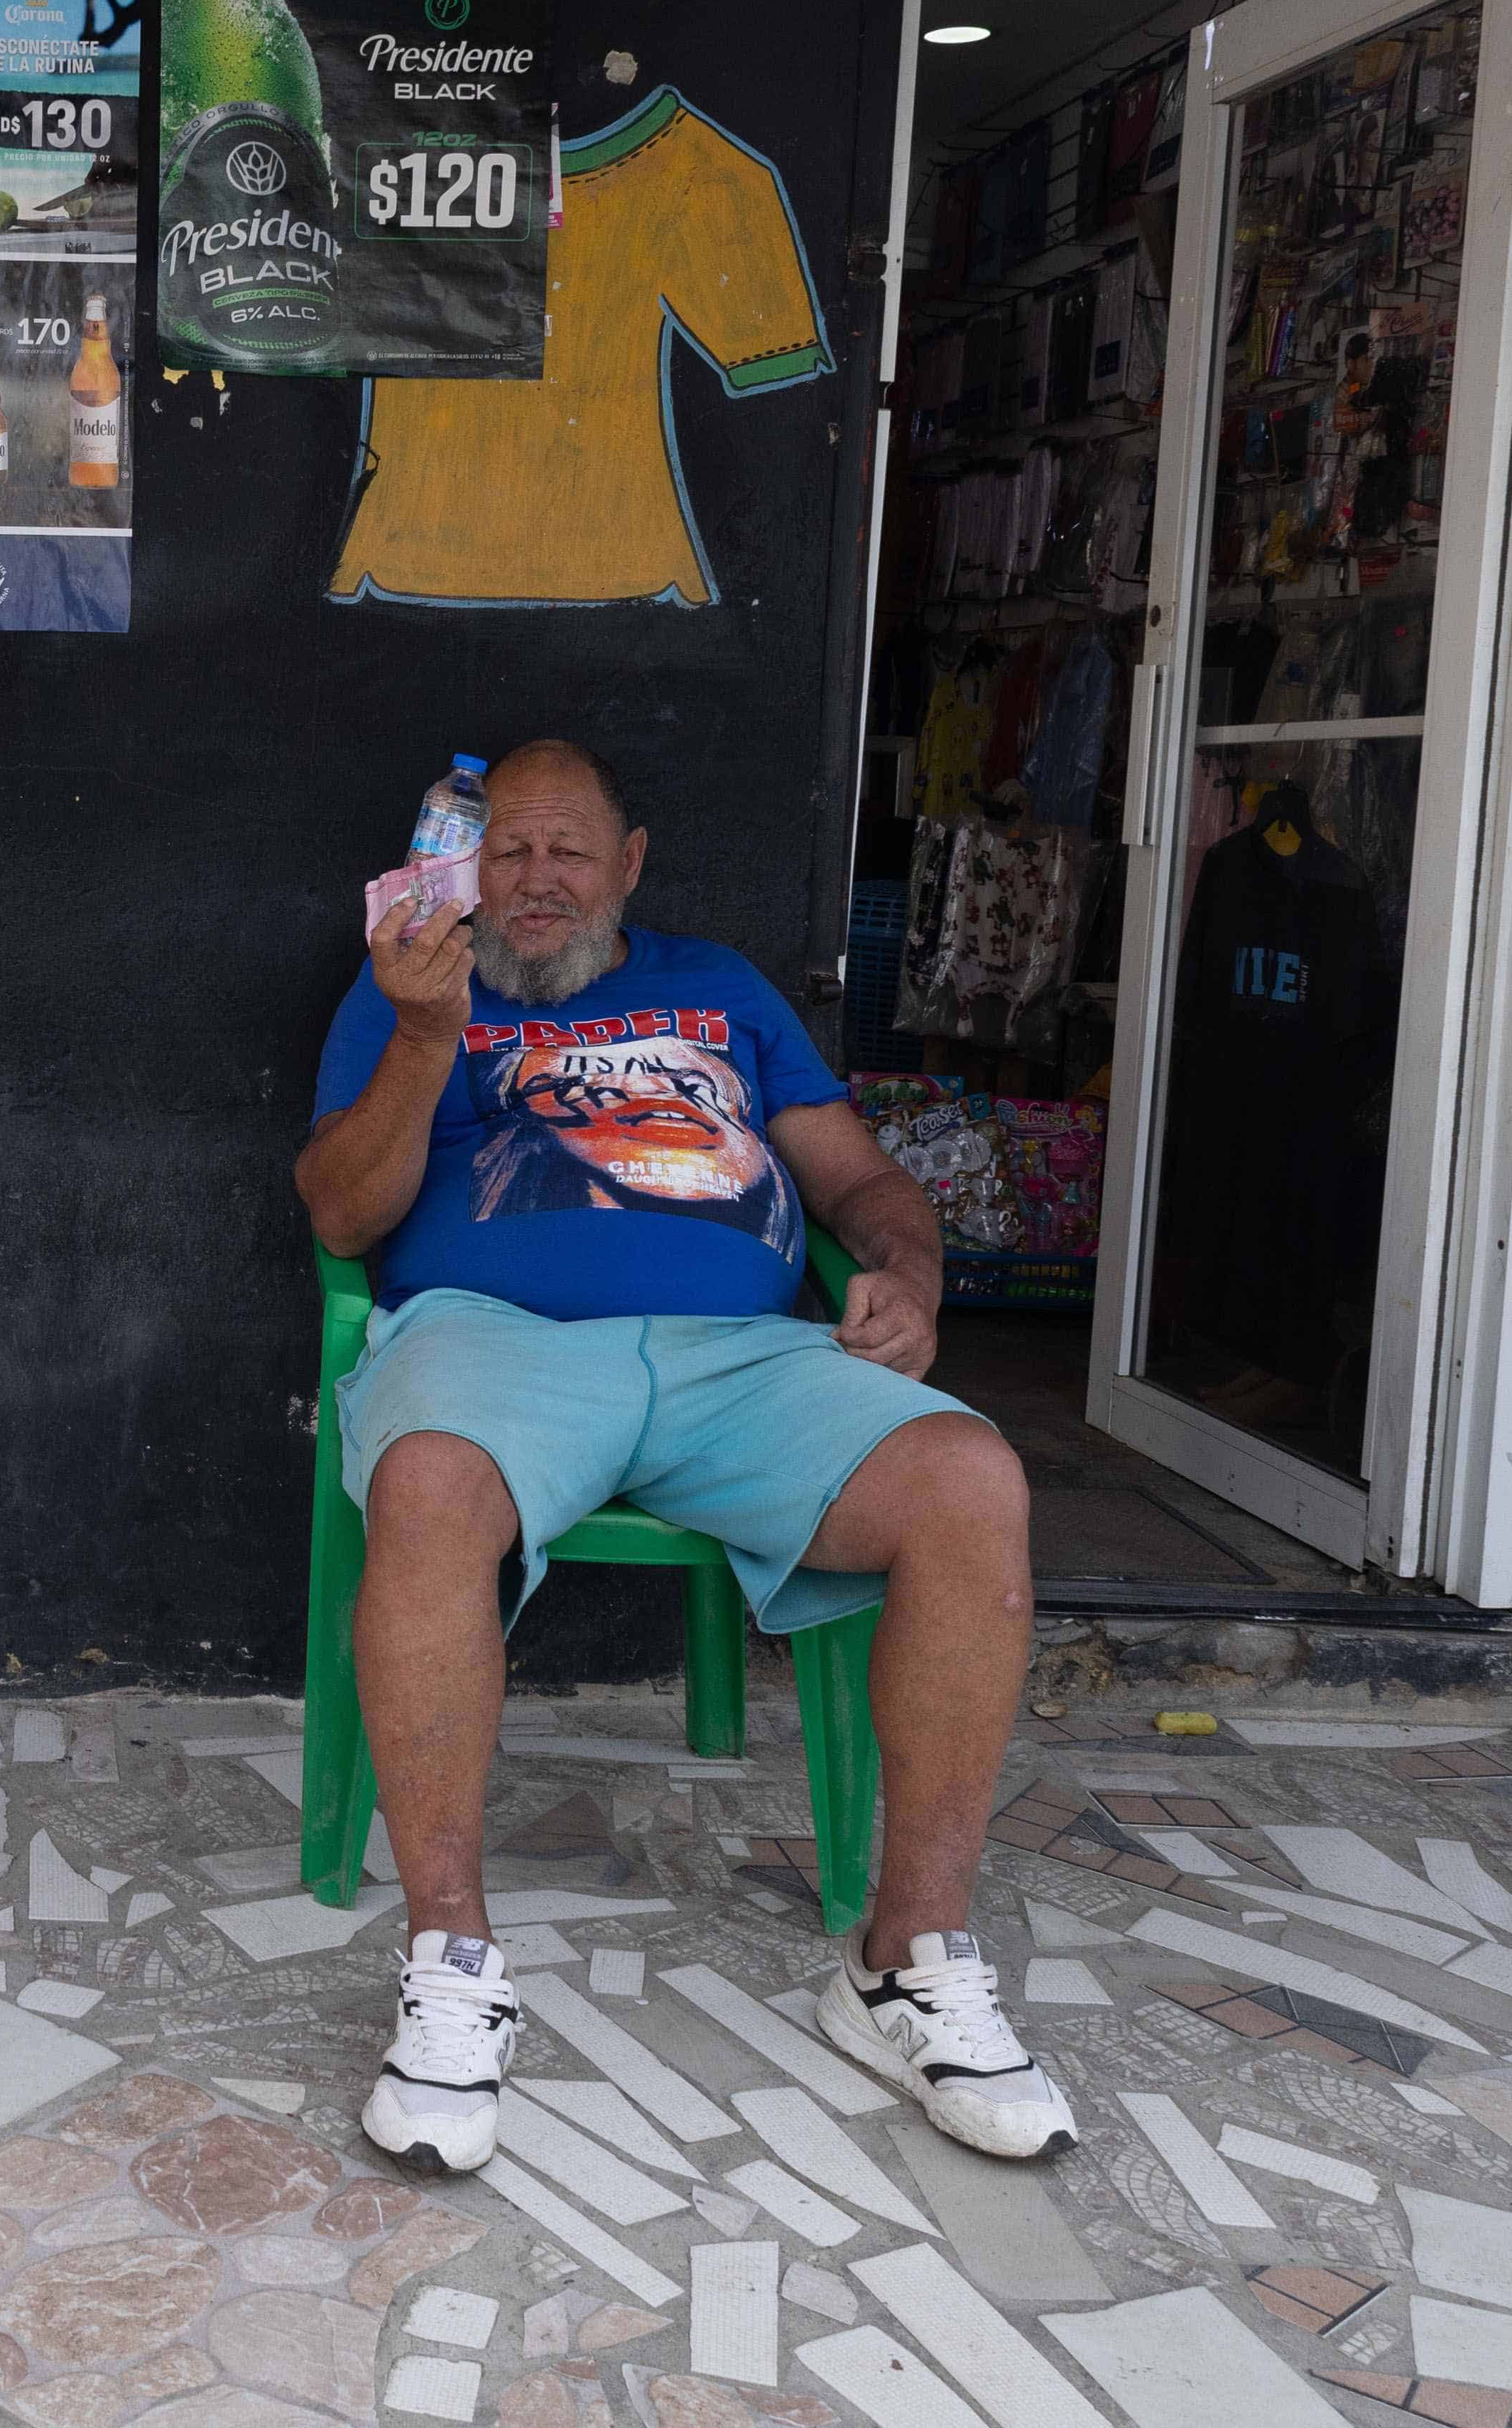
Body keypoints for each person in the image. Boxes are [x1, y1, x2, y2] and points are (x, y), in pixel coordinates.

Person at [295, 739, 1069, 2170]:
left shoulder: (726, 985)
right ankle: (453, 1963)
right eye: (508, 850)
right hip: (496, 1337)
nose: (536, 878)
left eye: (569, 851)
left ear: (629, 863)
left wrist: (907, 1269)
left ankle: (907, 1958)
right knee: (426, 1483)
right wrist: (419, 1034)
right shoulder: (411, 981)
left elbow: (858, 1179)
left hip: (742, 1360)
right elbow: (343, 1216)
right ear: (465, 865)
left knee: (971, 1479)